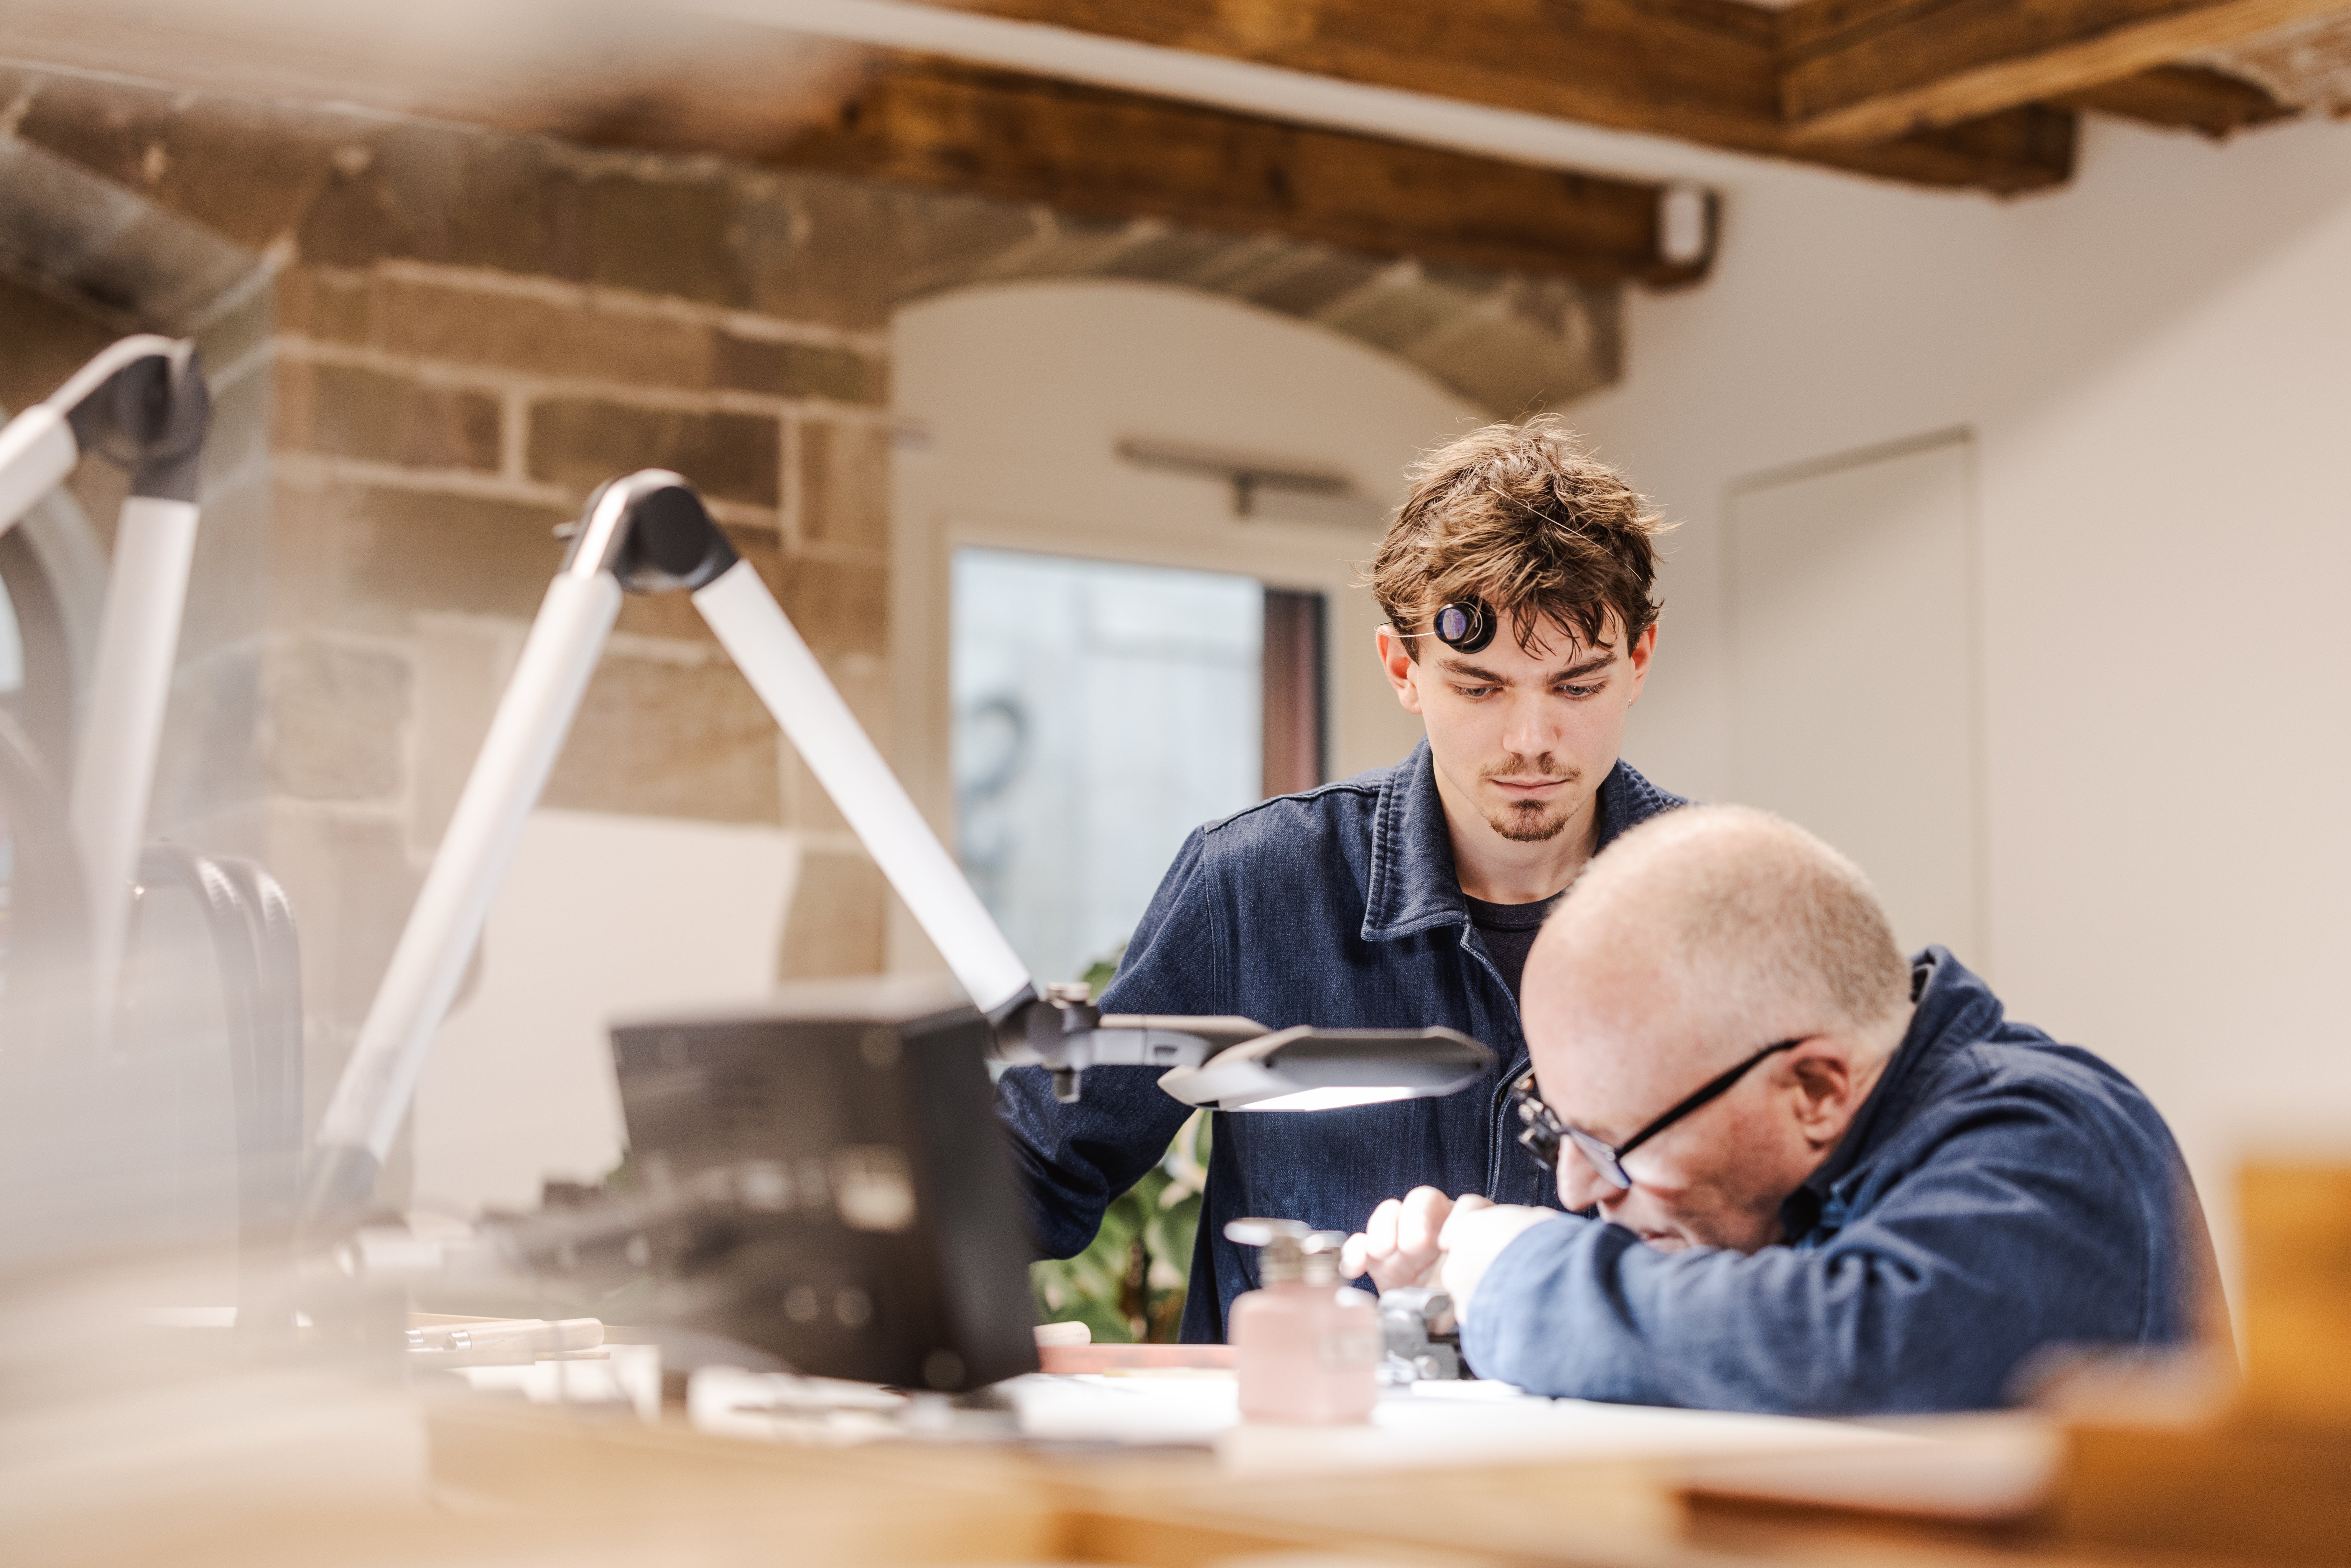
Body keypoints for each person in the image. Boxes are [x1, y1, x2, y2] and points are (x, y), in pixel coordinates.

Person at [996, 414, 1686, 1342]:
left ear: (1638, 662)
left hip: (1616, 1431)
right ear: (1404, 667)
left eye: (1577, 687)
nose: (1531, 740)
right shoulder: (1256, 887)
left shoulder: (1724, 909)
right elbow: (1033, 1176)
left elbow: (1808, 1233)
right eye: (1479, 688)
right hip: (1297, 1431)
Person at [1342, 805, 2220, 1414]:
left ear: (1816, 1092)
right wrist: (1454, 1312)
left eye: (1614, 1145)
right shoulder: (1771, 1192)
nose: (1575, 1191)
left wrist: (1514, 1275)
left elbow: (1855, 1353)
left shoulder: (2052, 1143)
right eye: (1557, 1128)